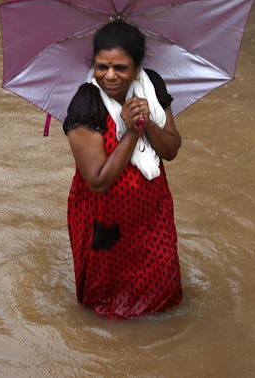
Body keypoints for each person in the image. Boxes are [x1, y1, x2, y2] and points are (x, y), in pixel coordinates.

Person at [62, 20, 183, 319]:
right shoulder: (86, 104)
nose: (110, 76)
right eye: (102, 67)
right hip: (104, 219)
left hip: (152, 211)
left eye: (121, 68)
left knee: (163, 293)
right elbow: (98, 180)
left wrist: (148, 123)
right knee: (107, 304)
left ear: (138, 67)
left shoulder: (152, 86)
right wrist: (131, 132)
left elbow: (171, 150)